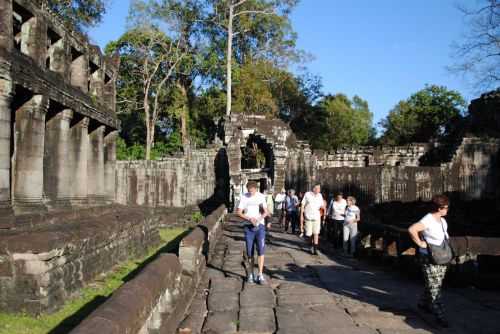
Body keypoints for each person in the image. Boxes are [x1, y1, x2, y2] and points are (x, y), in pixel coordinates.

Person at [408, 194, 451, 328]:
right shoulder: (428, 219)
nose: (447, 210)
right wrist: (420, 243)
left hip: (441, 256)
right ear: (439, 208)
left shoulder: (442, 221)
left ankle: (423, 304)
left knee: (434, 283)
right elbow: (412, 229)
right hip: (429, 257)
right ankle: (440, 315)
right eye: (446, 207)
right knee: (435, 287)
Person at [236, 181, 270, 285]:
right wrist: (249, 218)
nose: (251, 192)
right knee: (250, 252)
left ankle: (260, 274)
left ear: (256, 189)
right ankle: (251, 274)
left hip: (260, 226)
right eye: (249, 190)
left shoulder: (261, 196)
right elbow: (238, 212)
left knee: (261, 250)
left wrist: (259, 219)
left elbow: (266, 211)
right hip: (248, 226)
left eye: (252, 190)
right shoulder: (244, 197)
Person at [300, 184, 325, 255]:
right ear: (313, 188)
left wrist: (322, 213)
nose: (318, 190)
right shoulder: (307, 194)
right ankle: (311, 245)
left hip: (317, 217)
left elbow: (322, 206)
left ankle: (315, 249)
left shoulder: (320, 195)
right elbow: (303, 204)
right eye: (317, 188)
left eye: (319, 188)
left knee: (316, 233)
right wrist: (302, 214)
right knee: (309, 234)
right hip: (308, 217)